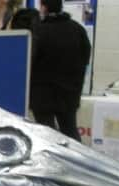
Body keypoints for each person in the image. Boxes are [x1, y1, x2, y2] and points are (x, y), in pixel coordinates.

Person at [29, 0, 91, 141]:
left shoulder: (38, 31)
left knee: (47, 133)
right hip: (70, 92)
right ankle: (76, 161)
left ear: (43, 7)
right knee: (70, 130)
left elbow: (30, 60)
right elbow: (86, 57)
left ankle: (51, 162)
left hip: (42, 94)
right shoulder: (78, 29)